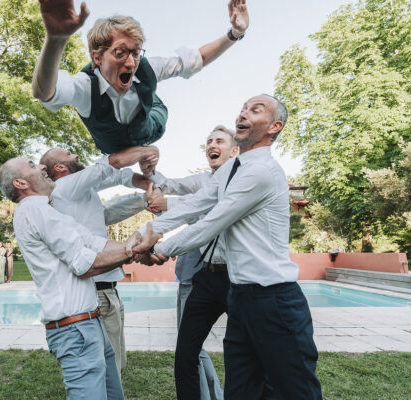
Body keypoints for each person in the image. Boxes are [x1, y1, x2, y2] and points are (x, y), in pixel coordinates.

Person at [131, 95, 322, 399]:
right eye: (243, 108)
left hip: (274, 299)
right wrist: (147, 232)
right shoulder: (230, 171)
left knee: (293, 392)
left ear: (274, 127)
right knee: (241, 391)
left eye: (255, 110)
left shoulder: (261, 172)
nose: (243, 114)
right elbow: (196, 204)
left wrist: (161, 249)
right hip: (241, 296)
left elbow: (213, 221)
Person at [32, 0, 249, 156]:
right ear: (97, 58)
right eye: (120, 53)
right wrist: (56, 39)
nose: (130, 63)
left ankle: (148, 96)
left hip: (150, 123)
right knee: (117, 155)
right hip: (113, 145)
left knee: (152, 99)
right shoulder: (84, 87)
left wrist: (235, 33)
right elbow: (44, 92)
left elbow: (198, 58)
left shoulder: (147, 68)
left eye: (135, 53)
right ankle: (144, 98)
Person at [0, 157, 137, 400]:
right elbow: (84, 265)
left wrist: (135, 247)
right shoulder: (35, 210)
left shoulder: (48, 210)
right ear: (20, 183)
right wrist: (132, 251)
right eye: (32, 165)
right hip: (74, 329)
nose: (42, 167)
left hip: (90, 323)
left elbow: (94, 242)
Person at [41, 144, 157, 375]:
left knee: (114, 361)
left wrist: (144, 198)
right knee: (107, 366)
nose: (75, 153)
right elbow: (110, 167)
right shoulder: (65, 185)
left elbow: (105, 212)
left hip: (107, 288)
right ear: (60, 167)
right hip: (96, 291)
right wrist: (146, 150)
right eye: (68, 153)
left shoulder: (77, 194)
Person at [144, 127, 239, 400]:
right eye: (209, 141)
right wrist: (149, 167)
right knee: (187, 351)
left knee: (245, 351)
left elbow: (200, 209)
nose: (212, 144)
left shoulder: (244, 180)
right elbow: (171, 185)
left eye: (219, 140)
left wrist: (167, 207)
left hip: (238, 279)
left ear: (234, 151)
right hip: (202, 276)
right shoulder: (201, 181)